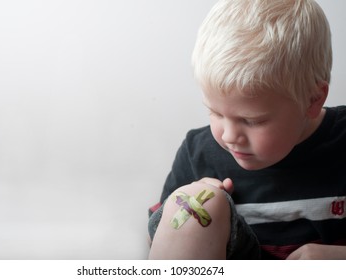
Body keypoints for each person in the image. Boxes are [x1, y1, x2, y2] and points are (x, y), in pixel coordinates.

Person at [147, 0, 346, 259]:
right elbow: (156, 243)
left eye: (251, 121)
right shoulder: (198, 154)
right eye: (216, 113)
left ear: (312, 100)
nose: (229, 136)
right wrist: (185, 209)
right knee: (196, 203)